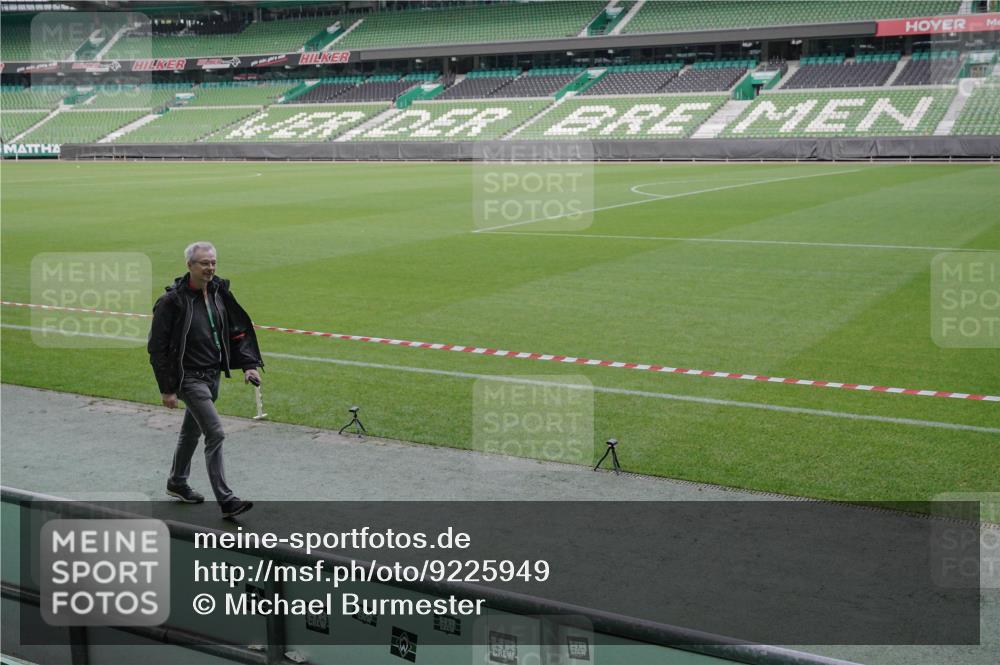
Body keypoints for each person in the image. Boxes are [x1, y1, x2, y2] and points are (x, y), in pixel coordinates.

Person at [148, 241, 263, 519]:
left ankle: (177, 482)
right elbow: (157, 348)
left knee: (192, 431)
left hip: (212, 376)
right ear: (189, 265)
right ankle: (227, 500)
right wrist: (167, 389)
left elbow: (237, 330)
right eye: (204, 263)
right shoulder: (171, 302)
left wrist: (249, 365)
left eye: (213, 262)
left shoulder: (219, 293)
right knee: (215, 432)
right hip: (189, 379)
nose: (210, 267)